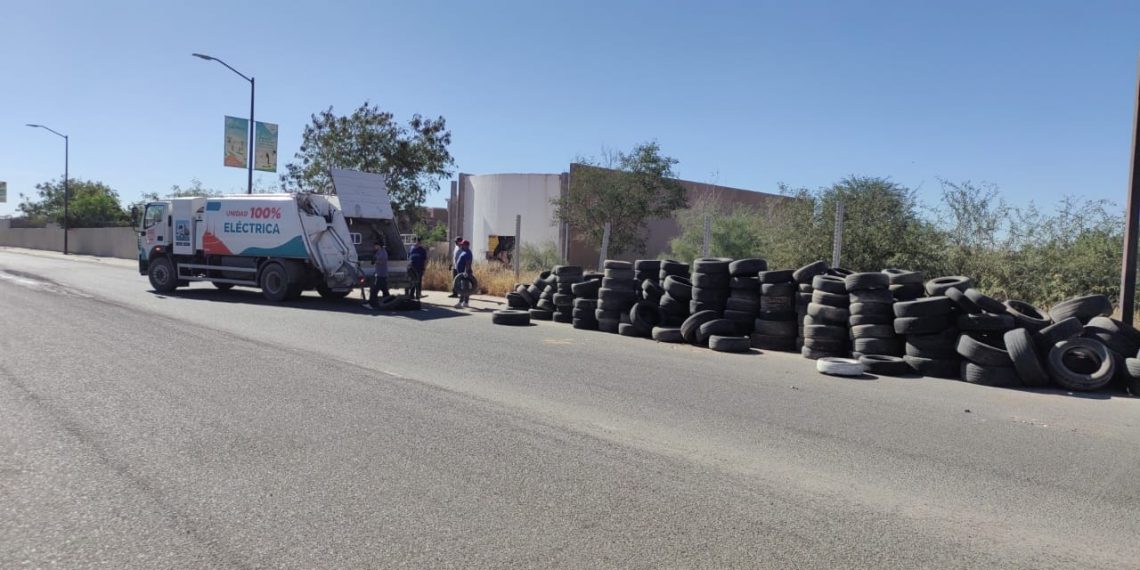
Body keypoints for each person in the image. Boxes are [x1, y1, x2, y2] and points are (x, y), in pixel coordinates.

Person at [362, 240, 390, 309]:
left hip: (381, 274)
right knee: (385, 291)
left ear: (378, 246)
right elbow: (376, 259)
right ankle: (388, 303)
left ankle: (372, 304)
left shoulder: (383, 252)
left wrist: (375, 261)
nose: (374, 247)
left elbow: (383, 261)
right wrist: (374, 260)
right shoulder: (379, 252)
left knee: (374, 291)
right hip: (380, 274)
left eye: (375, 245)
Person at [453, 239, 474, 308]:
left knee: (464, 288)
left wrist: (465, 272)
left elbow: (468, 263)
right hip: (461, 273)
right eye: (461, 244)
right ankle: (465, 302)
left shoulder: (468, 253)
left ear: (466, 245)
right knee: (465, 288)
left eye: (463, 245)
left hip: (464, 273)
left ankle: (461, 303)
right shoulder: (464, 251)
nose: (461, 245)